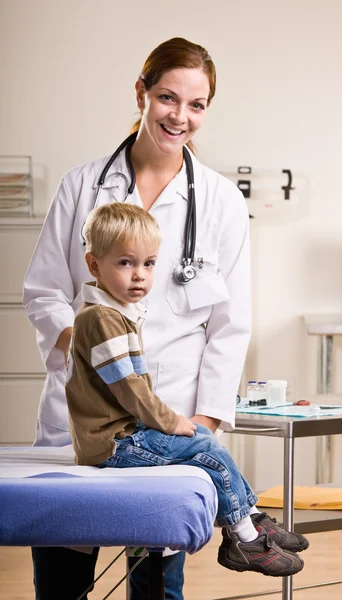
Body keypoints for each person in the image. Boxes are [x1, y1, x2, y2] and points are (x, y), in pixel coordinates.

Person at [21, 35, 293, 600]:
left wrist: (208, 423)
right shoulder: (80, 187)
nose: (181, 117)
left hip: (168, 415)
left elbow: (230, 322)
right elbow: (44, 290)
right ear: (141, 93)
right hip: (86, 416)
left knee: (155, 584)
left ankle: (244, 528)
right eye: (168, 98)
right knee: (64, 578)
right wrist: (86, 344)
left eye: (197, 105)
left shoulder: (219, 201)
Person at [66, 201, 307, 581]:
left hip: (126, 433)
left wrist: (173, 424)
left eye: (148, 264)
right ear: (94, 265)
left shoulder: (117, 314)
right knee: (206, 451)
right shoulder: (100, 318)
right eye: (125, 263)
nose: (140, 276)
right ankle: (244, 535)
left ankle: (248, 519)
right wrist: (169, 421)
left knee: (205, 442)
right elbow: (129, 388)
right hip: (114, 443)